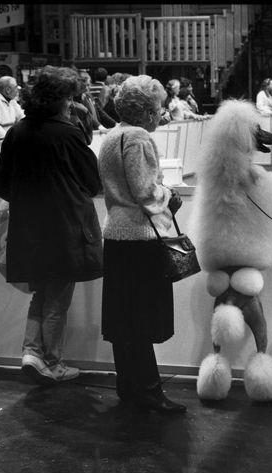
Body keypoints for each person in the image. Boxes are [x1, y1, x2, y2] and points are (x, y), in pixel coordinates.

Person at [0, 65, 104, 385]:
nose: (70, 104)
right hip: (66, 228)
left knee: (42, 291)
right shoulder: (68, 134)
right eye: (68, 98)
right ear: (56, 99)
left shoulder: (17, 132)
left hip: (29, 228)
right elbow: (92, 182)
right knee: (58, 297)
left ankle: (31, 353)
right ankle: (53, 362)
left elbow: (0, 183)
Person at [96, 74, 186, 413]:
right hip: (141, 238)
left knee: (123, 321)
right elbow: (145, 190)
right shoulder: (139, 138)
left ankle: (128, 386)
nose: (161, 114)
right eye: (159, 108)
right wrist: (170, 195)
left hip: (116, 236)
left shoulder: (110, 137)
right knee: (144, 320)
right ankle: (149, 391)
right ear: (146, 111)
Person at [0, 76, 25, 141]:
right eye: (15, 87)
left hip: (10, 141)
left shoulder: (12, 101)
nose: (17, 90)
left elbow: (22, 118)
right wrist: (11, 140)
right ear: (8, 90)